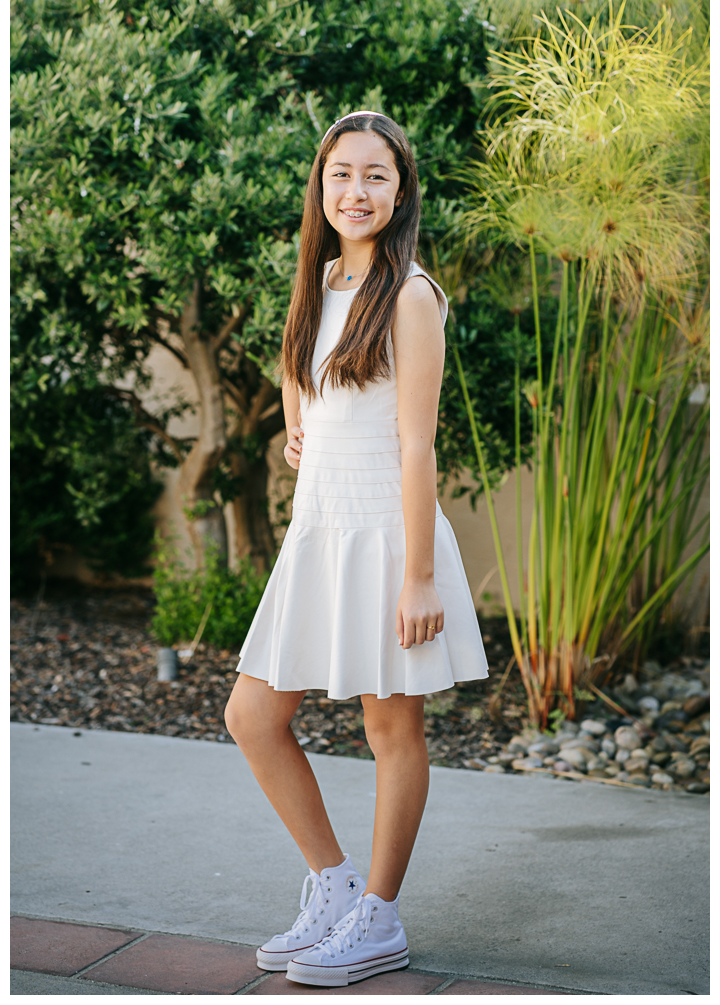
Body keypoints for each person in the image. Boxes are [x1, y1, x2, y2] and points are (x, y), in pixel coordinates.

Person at [224, 111, 488, 988]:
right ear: (322, 186)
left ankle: (378, 915)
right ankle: (331, 886)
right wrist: (302, 432)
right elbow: (301, 378)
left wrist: (417, 578)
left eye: (376, 176)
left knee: (389, 726)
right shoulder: (319, 280)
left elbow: (417, 445)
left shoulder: (411, 295)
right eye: (342, 175)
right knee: (253, 715)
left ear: (401, 188)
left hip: (385, 535)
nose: (357, 191)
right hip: (320, 531)